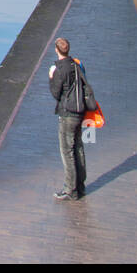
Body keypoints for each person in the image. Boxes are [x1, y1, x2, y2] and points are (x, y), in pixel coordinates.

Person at [48, 36, 94, 200]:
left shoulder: (59, 69)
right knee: (78, 147)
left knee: (66, 150)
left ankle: (70, 189)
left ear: (56, 50)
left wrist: (51, 77)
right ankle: (80, 186)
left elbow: (55, 93)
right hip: (81, 110)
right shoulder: (77, 64)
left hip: (68, 113)